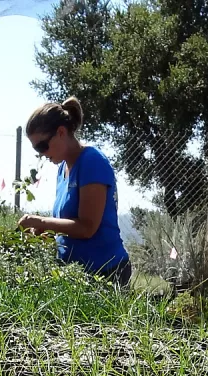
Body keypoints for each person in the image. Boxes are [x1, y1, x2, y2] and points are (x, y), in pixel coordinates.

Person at [18, 97, 131, 285]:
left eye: (42, 146)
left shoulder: (92, 162)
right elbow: (68, 223)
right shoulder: (63, 168)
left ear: (61, 132)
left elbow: (87, 228)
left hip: (105, 272)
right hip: (76, 273)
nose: (41, 154)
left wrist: (42, 221)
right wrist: (45, 231)